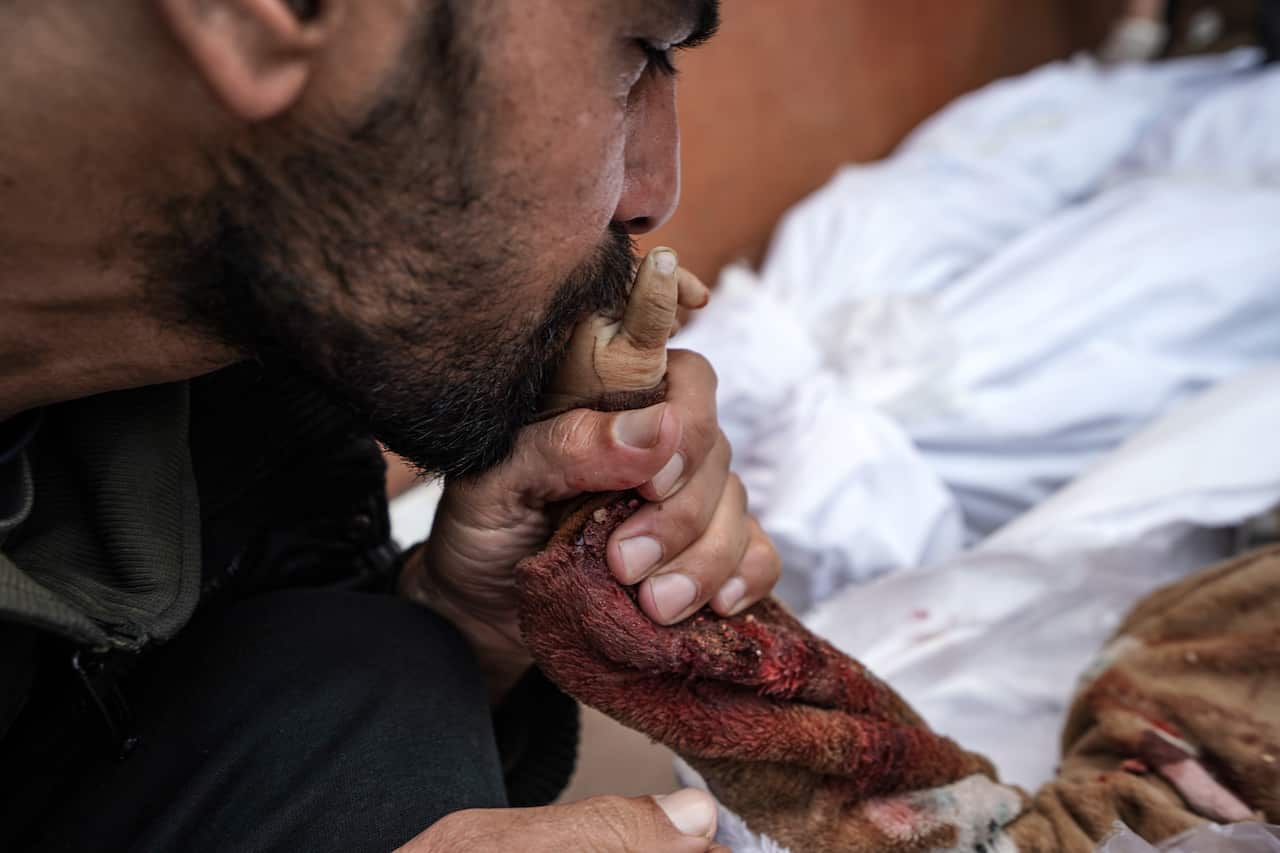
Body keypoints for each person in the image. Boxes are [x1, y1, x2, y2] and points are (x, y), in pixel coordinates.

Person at [0, 1, 782, 850]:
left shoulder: (250, 359)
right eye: (637, 54)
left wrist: (460, 627)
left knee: (380, 671)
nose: (653, 193)